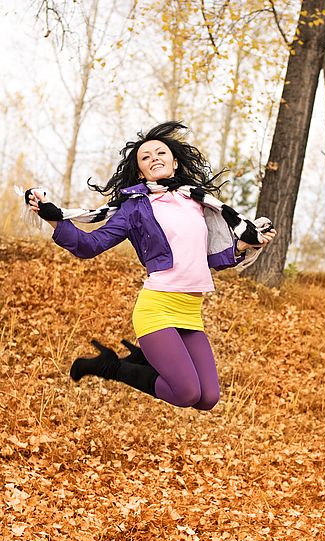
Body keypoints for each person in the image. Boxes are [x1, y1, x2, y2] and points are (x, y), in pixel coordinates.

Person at [25, 121, 276, 411]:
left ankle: (145, 359)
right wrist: (51, 216)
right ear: (141, 170)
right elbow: (89, 245)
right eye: (145, 157)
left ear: (175, 162)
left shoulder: (198, 202)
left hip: (190, 311)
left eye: (160, 153)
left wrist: (243, 246)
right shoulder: (136, 207)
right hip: (157, 307)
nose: (154, 157)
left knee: (207, 399)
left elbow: (204, 260)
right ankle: (113, 367)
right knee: (185, 394)